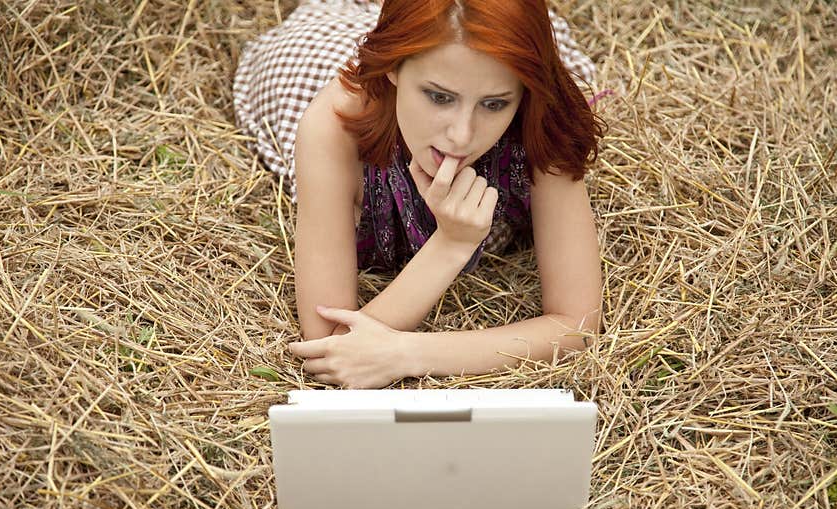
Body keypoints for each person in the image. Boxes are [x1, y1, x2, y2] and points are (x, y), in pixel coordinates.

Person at [233, 0, 605, 389]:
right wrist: (450, 245)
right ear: (394, 68)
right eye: (439, 97)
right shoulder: (335, 126)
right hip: (314, 61)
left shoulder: (541, 118)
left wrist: (407, 353)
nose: (461, 135)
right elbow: (331, 344)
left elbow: (577, 326)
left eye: (494, 104)